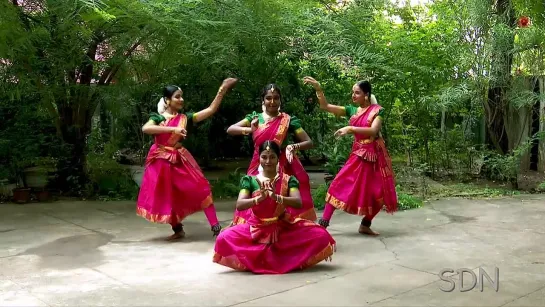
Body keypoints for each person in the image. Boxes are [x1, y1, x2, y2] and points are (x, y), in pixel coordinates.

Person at [213, 140, 336, 274]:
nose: (268, 161)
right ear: (259, 157)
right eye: (264, 157)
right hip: (256, 228)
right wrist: (259, 198)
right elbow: (240, 204)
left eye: (272, 157)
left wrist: (276, 197)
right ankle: (261, 261)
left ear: (278, 159)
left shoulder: (288, 180)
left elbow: (297, 202)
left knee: (321, 235)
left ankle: (283, 260)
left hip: (282, 227)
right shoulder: (250, 180)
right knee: (223, 238)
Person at [137, 78, 238, 240]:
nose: (181, 99)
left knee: (201, 187)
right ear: (167, 100)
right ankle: (178, 229)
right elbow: (146, 128)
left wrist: (222, 89)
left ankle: (216, 228)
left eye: (182, 96)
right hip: (161, 162)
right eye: (177, 96)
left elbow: (211, 110)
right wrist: (173, 128)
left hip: (179, 159)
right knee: (168, 196)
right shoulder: (158, 118)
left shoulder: (186, 118)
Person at [303, 76, 397, 236]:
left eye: (357, 93)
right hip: (357, 156)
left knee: (378, 193)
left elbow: (373, 131)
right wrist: (318, 88)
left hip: (373, 157)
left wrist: (350, 128)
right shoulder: (352, 111)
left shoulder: (377, 111)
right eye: (352, 92)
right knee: (338, 185)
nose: (353, 96)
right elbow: (325, 106)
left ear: (366, 95)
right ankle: (323, 225)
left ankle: (365, 225)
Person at [226, 83, 317, 226]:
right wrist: (251, 129)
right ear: (263, 100)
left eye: (276, 98)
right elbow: (231, 129)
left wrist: (293, 146)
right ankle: (252, 226)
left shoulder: (288, 120)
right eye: (268, 98)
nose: (272, 102)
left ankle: (283, 227)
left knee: (281, 194)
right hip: (259, 163)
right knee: (254, 192)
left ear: (280, 100)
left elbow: (308, 142)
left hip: (281, 164)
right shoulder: (255, 118)